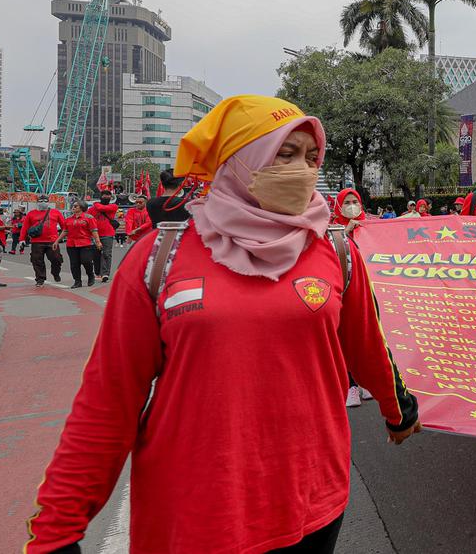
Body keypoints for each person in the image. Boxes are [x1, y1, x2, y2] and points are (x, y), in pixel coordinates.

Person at [25, 95, 420, 554]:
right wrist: (57, 528)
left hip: (314, 502)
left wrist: (398, 409)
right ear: (235, 160)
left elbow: (366, 345)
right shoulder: (158, 257)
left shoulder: (334, 250)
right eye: (284, 154)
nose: (303, 171)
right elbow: (108, 398)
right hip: (197, 514)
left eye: (312, 157)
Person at [331, 187, 375, 408]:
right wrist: (344, 233)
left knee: (365, 336)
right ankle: (350, 386)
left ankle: (364, 381)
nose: (351, 206)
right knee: (344, 338)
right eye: (346, 202)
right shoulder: (332, 229)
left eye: (354, 201)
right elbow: (328, 254)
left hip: (370, 290)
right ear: (339, 205)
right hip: (344, 291)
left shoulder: (370, 226)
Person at [20, 196, 65, 287]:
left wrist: (63, 237)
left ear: (49, 202)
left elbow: (64, 226)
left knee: (56, 259)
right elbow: (25, 227)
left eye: (45, 201)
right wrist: (21, 239)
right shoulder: (31, 214)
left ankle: (55, 273)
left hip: (52, 241)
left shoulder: (56, 212)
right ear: (37, 202)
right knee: (37, 260)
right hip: (37, 241)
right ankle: (40, 278)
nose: (43, 202)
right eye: (41, 201)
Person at [59, 201, 99, 288]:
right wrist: (57, 241)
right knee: (74, 264)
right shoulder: (69, 219)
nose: (73, 207)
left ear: (81, 207)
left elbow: (94, 230)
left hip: (85, 243)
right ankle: (77, 281)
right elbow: (65, 231)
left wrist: (98, 241)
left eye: (75, 206)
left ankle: (90, 275)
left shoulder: (89, 218)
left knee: (86, 261)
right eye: (73, 206)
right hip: (71, 244)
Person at [88, 190, 119, 282]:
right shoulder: (91, 209)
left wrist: (95, 204)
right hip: (94, 234)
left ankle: (105, 274)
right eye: (105, 196)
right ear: (101, 196)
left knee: (106, 254)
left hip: (108, 234)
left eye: (108, 196)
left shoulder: (113, 206)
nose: (106, 197)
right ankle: (98, 272)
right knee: (95, 255)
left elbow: (101, 208)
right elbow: (88, 219)